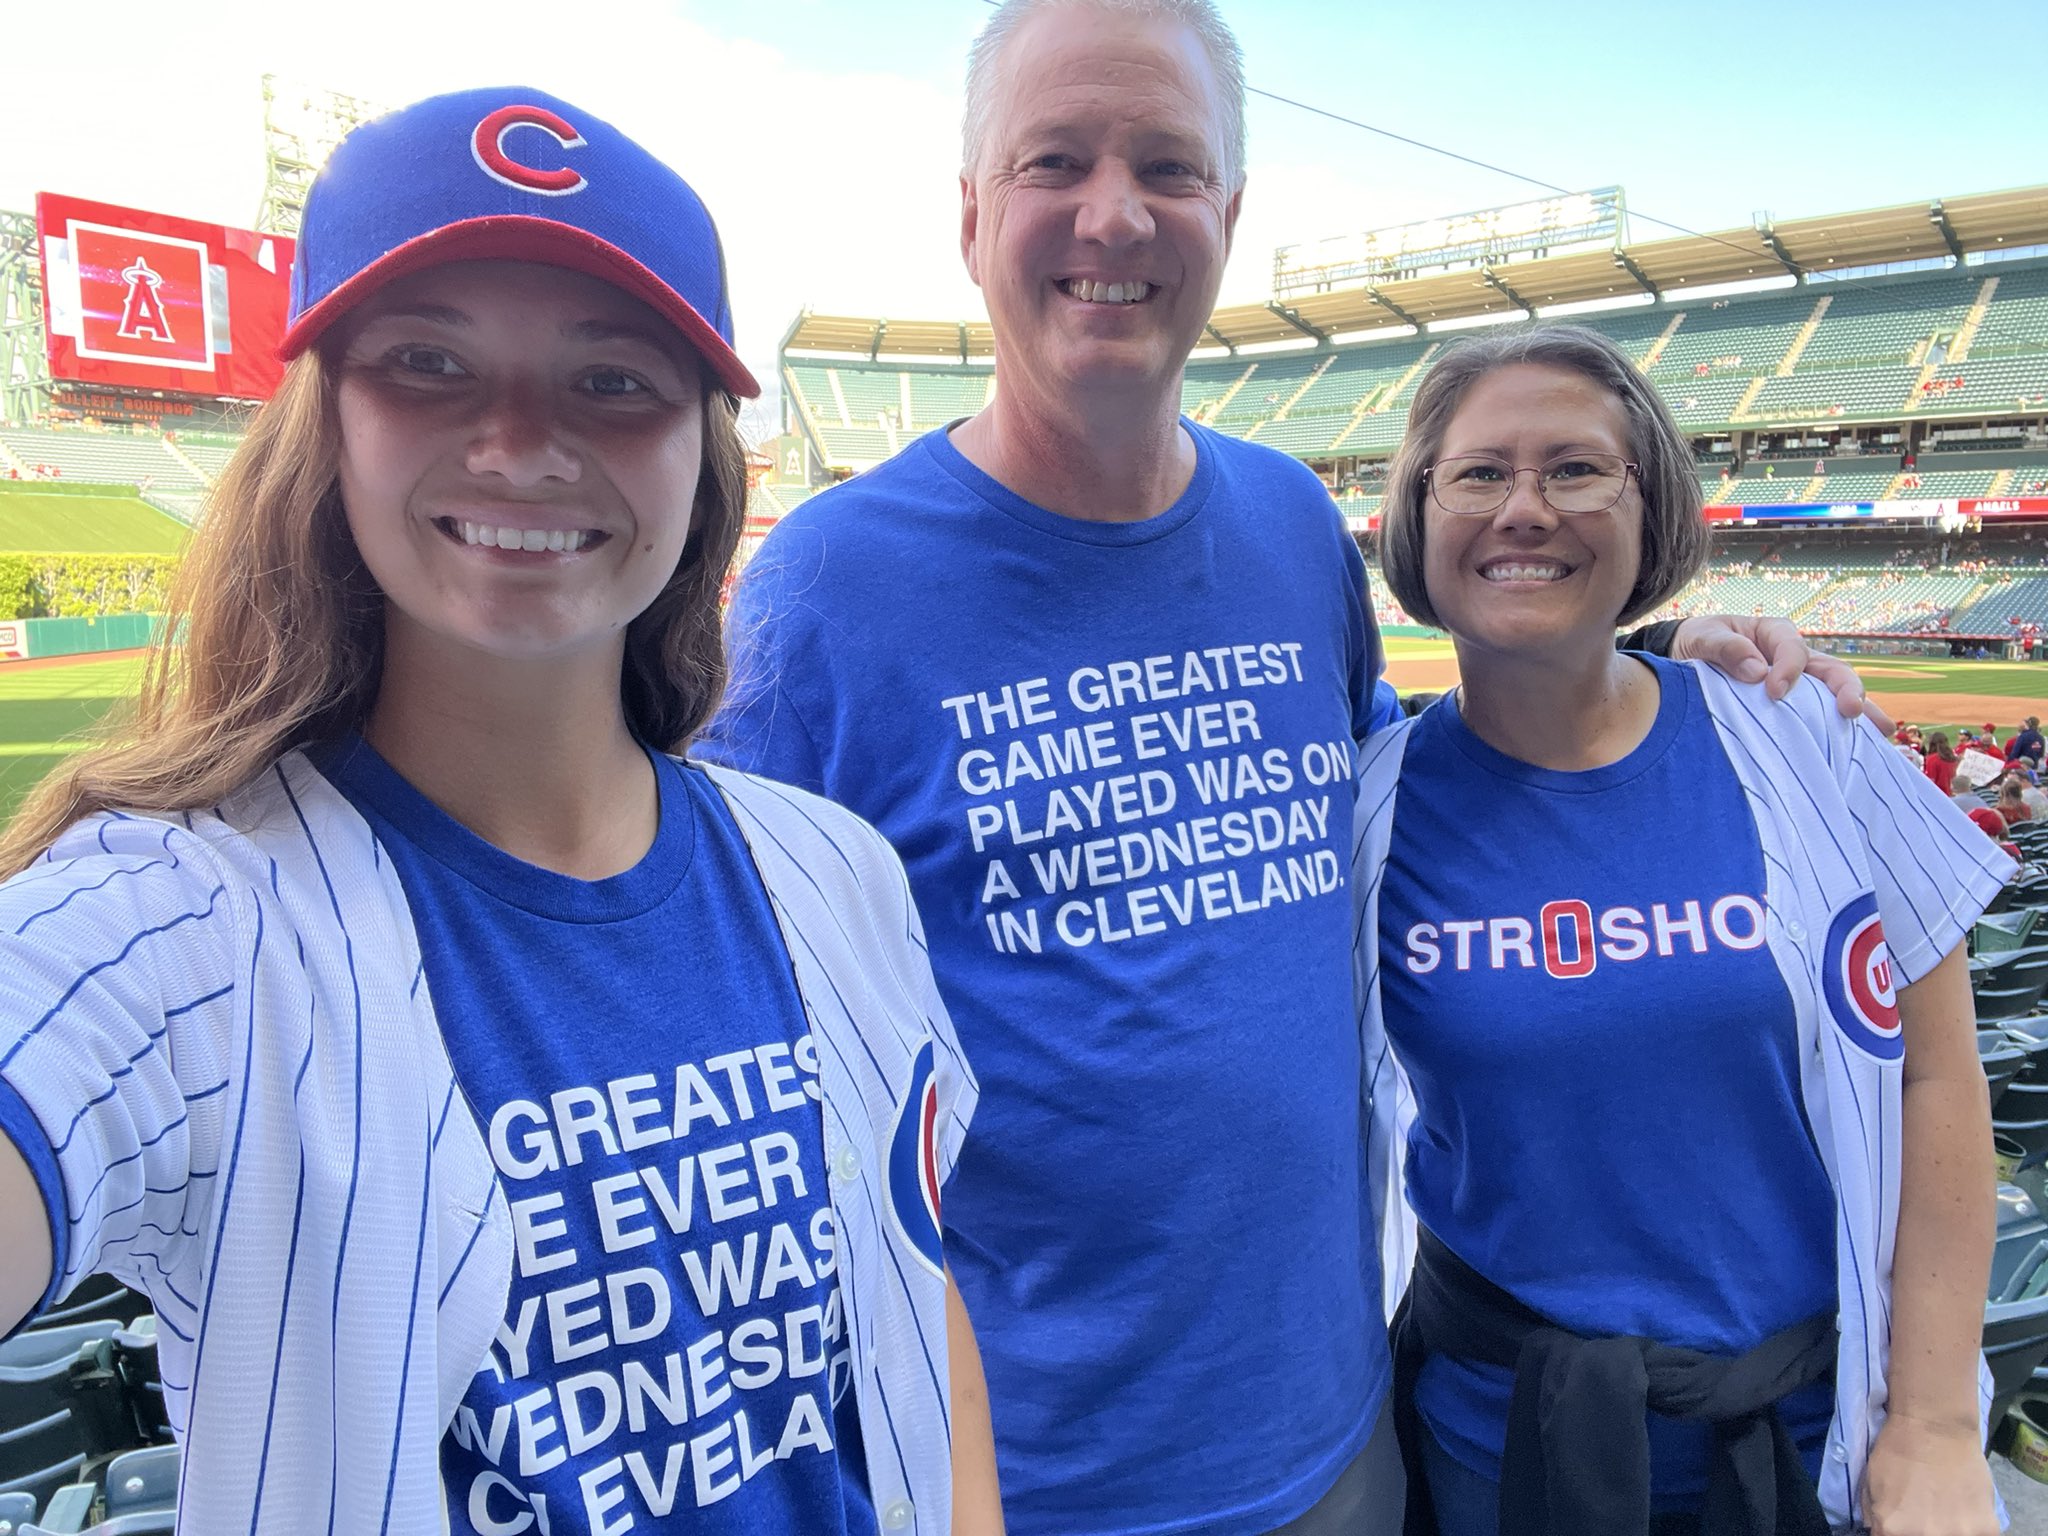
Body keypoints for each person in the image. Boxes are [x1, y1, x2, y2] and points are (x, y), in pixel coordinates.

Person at [706, 4, 1873, 1533]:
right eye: (1055, 158)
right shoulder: (828, 589)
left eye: (1170, 166)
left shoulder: (1285, 533)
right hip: (1025, 1482)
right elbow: (730, 1037)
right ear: (974, 214)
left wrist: (1666, 653)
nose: (1114, 211)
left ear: (1230, 216)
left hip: (1345, 1442)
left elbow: (1451, 803)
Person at [0, 88, 1001, 1535]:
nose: (521, 441)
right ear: (330, 423)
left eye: (614, 378)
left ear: (701, 455)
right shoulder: (184, 922)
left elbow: (921, 1301)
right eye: (429, 363)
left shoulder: (834, 871)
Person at [1358, 325, 2004, 1536]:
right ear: (1416, 515)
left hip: (1815, 1433)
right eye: (1479, 472)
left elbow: (1937, 1075)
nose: (1524, 507)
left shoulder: (1800, 734)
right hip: (1501, 1443)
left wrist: (1929, 1428)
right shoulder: (1365, 808)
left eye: (1575, 468)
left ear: (1648, 503)